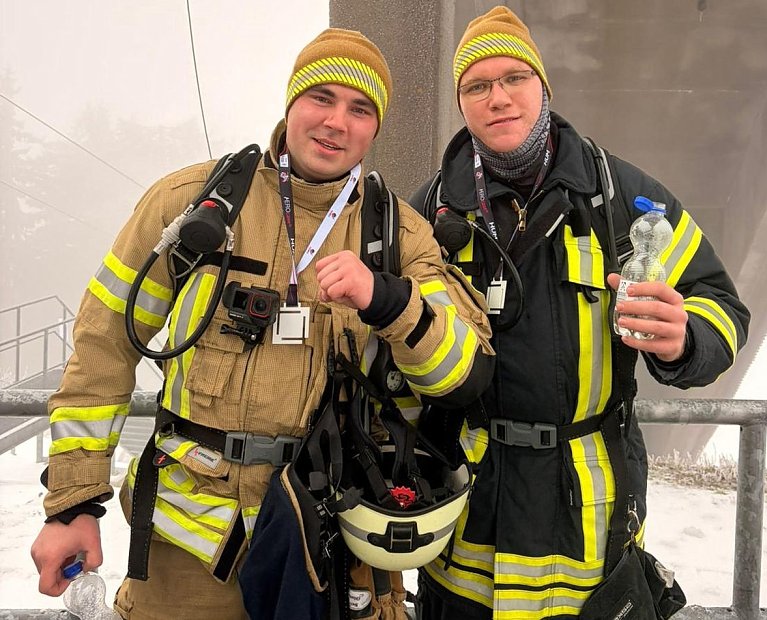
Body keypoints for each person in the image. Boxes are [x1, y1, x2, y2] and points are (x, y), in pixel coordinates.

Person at [30, 28, 494, 619]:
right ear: (290, 104)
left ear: (375, 128)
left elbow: (459, 373)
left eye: (359, 109)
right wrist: (73, 502)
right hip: (191, 552)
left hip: (332, 545)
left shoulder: (400, 235)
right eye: (320, 98)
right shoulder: (193, 204)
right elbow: (104, 349)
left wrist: (387, 299)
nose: (336, 122)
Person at [409, 7, 750, 619]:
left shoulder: (619, 198)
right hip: (468, 529)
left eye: (514, 78)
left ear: (544, 87)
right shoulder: (432, 214)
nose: (498, 98)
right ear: (462, 103)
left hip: (589, 526)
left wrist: (686, 338)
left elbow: (723, 307)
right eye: (477, 86)